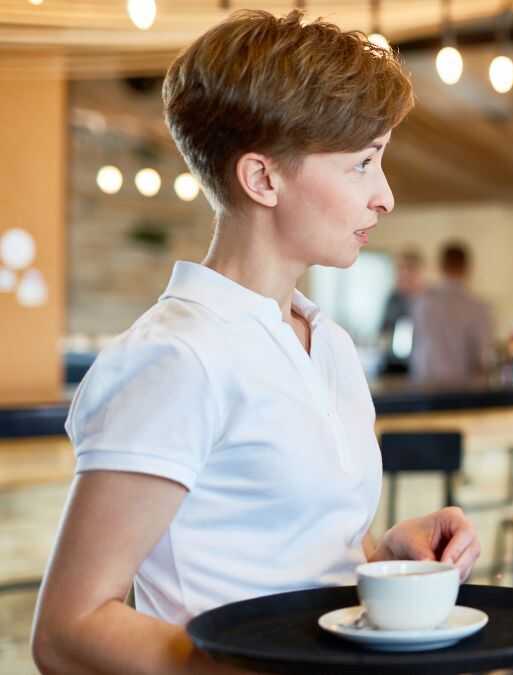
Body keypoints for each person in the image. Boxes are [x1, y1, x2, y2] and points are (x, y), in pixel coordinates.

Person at [32, 11, 480, 675]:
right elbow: (68, 631)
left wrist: (385, 555)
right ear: (263, 179)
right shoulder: (177, 356)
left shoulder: (327, 343)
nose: (385, 196)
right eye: (362, 163)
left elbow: (300, 557)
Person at [410, 242, 494, 383]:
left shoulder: (423, 303)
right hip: (462, 386)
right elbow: (483, 353)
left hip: (425, 382)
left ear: (440, 266)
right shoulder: (477, 307)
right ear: (467, 268)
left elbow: (416, 346)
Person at [380, 248, 425, 373]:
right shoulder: (393, 299)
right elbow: (383, 332)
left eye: (410, 269)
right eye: (401, 269)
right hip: (393, 364)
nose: (404, 274)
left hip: (420, 365)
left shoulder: (427, 301)